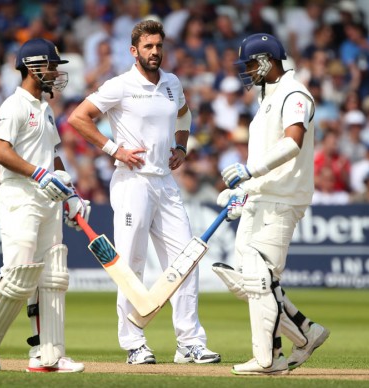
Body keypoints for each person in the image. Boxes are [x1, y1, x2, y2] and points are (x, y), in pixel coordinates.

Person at [68, 20, 220, 365]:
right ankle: (134, 342)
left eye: (158, 46)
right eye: (148, 47)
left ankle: (189, 343)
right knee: (131, 264)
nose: (155, 52)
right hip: (132, 181)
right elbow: (79, 118)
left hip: (165, 182)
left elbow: (184, 113)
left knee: (185, 261)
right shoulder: (120, 85)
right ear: (134, 51)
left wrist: (181, 145)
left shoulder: (172, 83)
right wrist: (114, 149)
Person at [0, 38, 90, 373]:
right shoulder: (14, 105)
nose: (55, 72)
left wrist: (71, 194)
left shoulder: (45, 109)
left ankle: (47, 355)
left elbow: (53, 157)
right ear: (33, 66)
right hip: (21, 197)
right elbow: (0, 152)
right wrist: (39, 174)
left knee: (52, 277)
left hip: (48, 199)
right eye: (51, 66)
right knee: (19, 274)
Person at [212, 33, 330, 375]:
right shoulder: (269, 97)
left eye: (251, 64)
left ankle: (267, 359)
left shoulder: (295, 93)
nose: (248, 71)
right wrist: (244, 190)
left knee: (260, 279)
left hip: (283, 197)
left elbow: (293, 143)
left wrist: (250, 171)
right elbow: (266, 151)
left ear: (267, 60)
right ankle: (305, 333)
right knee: (249, 282)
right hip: (260, 196)